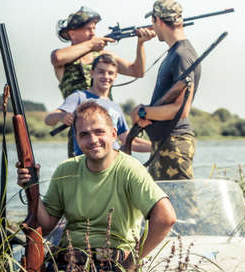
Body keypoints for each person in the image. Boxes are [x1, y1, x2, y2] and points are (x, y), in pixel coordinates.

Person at [17, 101, 176, 272]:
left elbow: (166, 218)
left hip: (112, 269)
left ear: (113, 134)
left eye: (99, 132)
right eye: (84, 134)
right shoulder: (65, 169)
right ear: (76, 138)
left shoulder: (130, 169)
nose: (93, 140)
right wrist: (32, 188)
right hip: (67, 266)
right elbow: (47, 225)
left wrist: (131, 265)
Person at [53, 6, 155, 157]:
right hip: (81, 134)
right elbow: (57, 58)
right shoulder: (63, 58)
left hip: (107, 128)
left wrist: (141, 43)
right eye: (88, 29)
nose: (93, 33)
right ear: (72, 33)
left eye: (94, 28)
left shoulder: (103, 56)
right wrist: (91, 45)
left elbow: (137, 71)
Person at [130, 0, 201, 180]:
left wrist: (143, 112)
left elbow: (181, 109)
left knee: (183, 206)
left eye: (153, 22)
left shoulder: (181, 55)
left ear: (158, 21)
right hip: (165, 142)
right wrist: (145, 114)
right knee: (161, 206)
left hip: (174, 142)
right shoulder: (175, 53)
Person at [45, 54, 152, 155]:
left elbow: (128, 140)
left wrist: (156, 147)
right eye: (101, 72)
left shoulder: (115, 107)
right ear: (92, 73)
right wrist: (61, 116)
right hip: (87, 163)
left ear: (115, 76)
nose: (106, 76)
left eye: (110, 73)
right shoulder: (79, 97)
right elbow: (48, 120)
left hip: (113, 163)